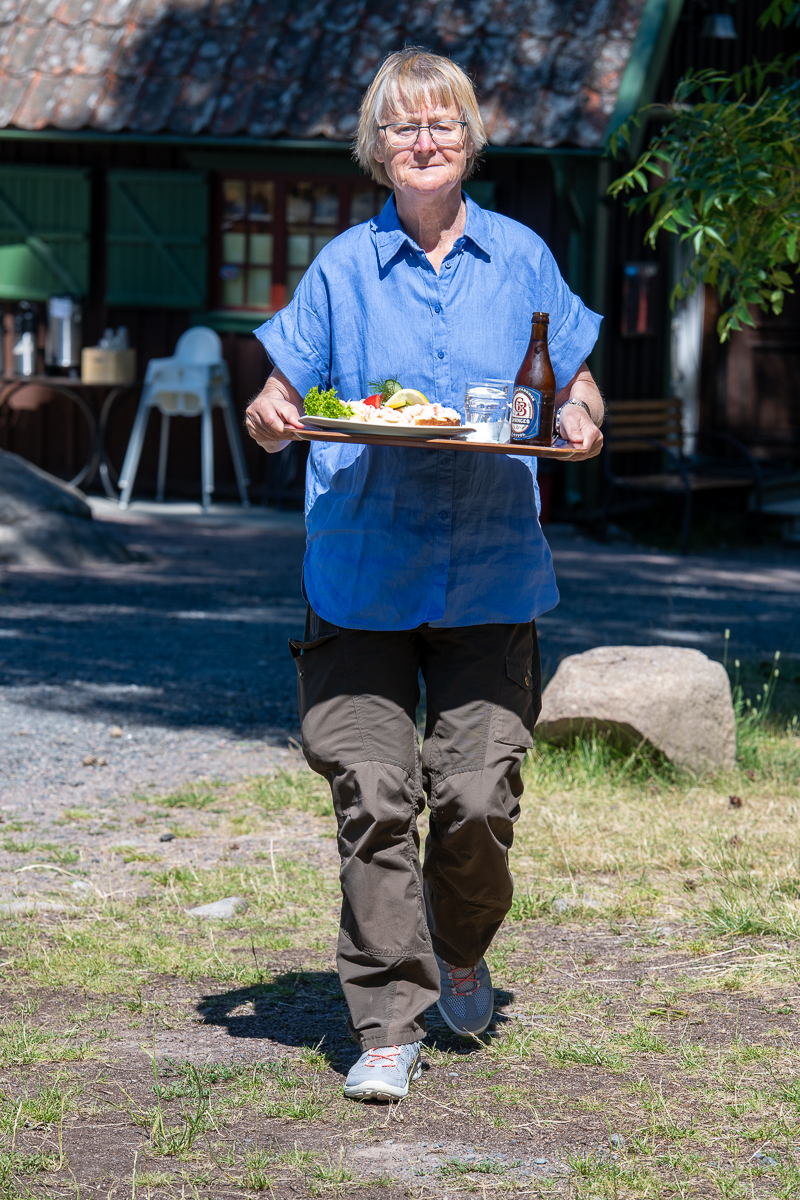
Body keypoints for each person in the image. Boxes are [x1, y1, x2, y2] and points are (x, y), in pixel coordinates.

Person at [246, 48, 604, 1102]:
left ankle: (458, 949)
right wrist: (274, 415)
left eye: (440, 122)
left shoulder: (521, 257)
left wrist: (578, 419)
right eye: (401, 126)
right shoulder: (340, 271)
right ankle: (387, 1021)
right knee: (372, 791)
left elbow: (570, 379)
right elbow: (280, 396)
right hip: (359, 572)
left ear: (468, 138)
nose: (423, 141)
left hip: (490, 572)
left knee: (477, 799)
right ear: (375, 147)